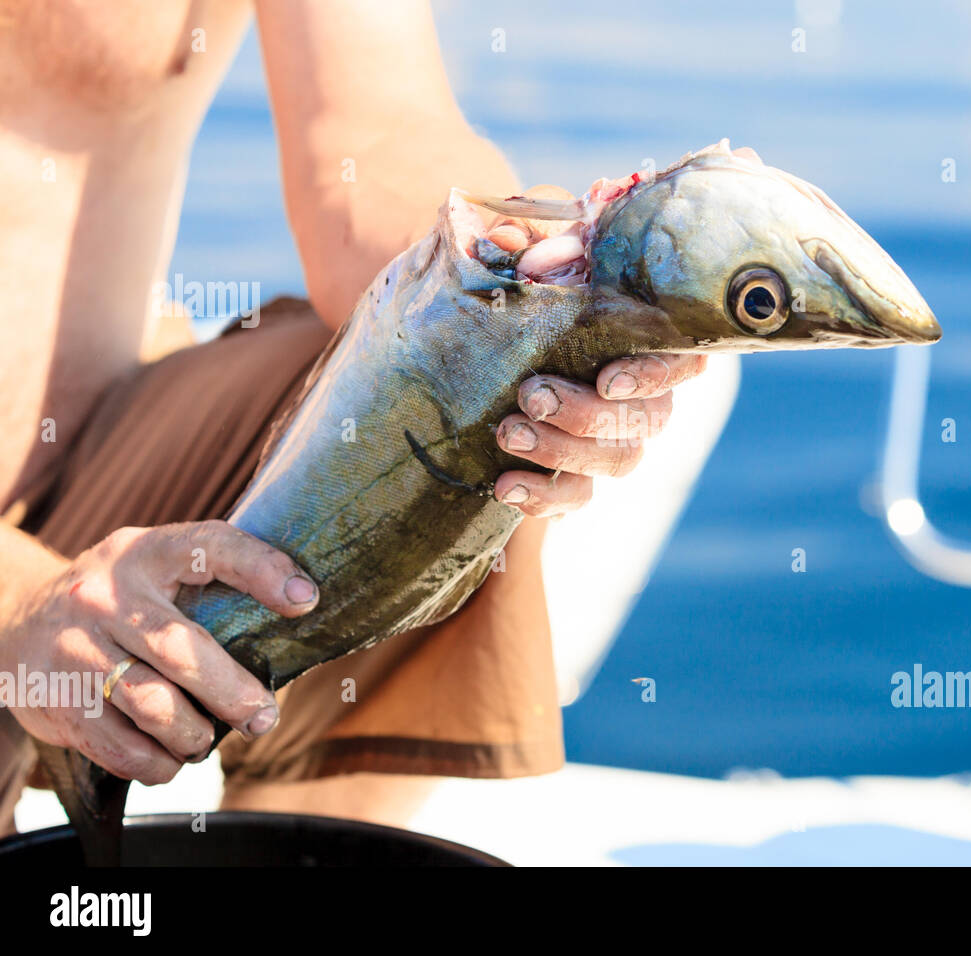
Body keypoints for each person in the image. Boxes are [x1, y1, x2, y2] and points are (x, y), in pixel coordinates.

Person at [0, 0, 706, 836]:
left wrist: (511, 285)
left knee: (477, 417)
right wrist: (23, 603)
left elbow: (375, 135)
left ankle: (289, 852)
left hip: (86, 464)